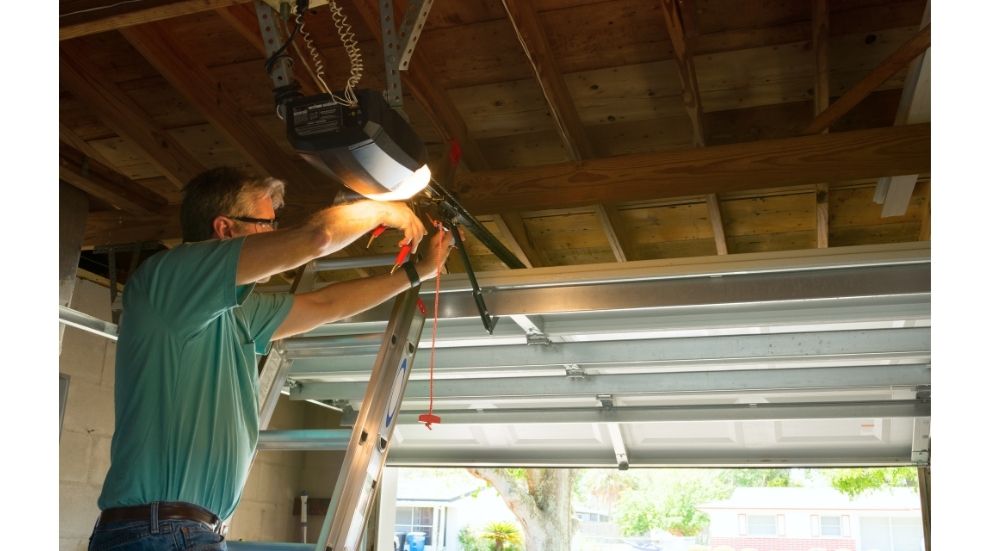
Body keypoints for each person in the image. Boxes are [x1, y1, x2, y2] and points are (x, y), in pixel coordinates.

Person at [88, 166, 456, 550]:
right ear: (225, 229)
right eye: (266, 223)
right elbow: (317, 237)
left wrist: (415, 274)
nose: (274, 234)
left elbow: (325, 304)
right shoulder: (168, 281)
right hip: (160, 530)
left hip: (180, 530)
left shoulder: (237, 313)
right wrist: (384, 210)